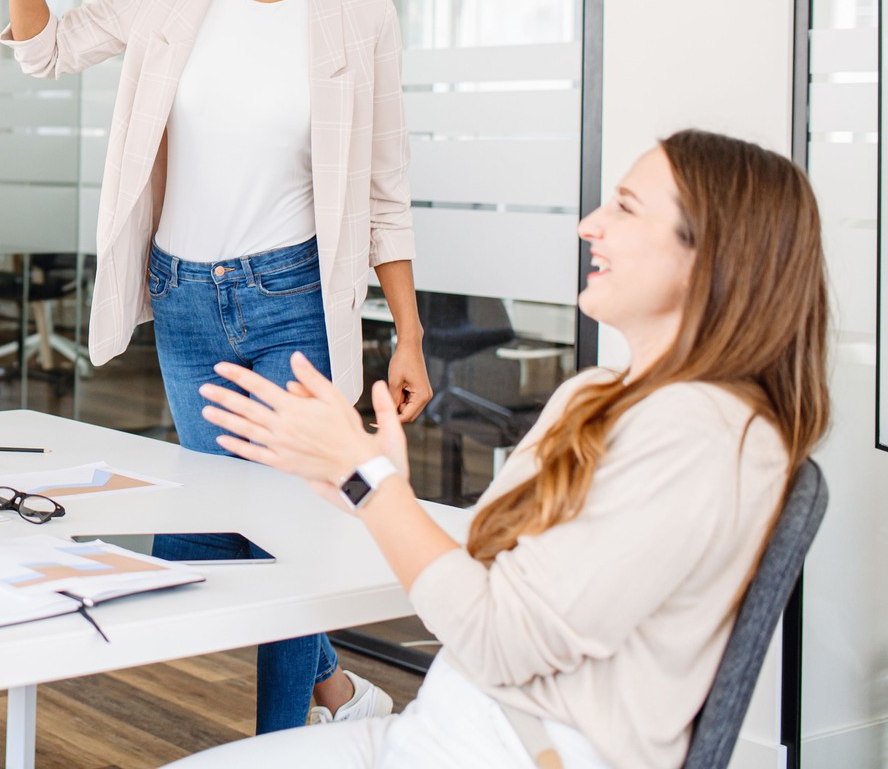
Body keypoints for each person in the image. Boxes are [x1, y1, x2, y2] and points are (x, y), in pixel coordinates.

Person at [170, 129, 830, 769]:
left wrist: (372, 483)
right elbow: (478, 584)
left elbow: (500, 639)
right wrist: (365, 488)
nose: (589, 225)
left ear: (710, 257)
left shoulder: (704, 437)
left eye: (626, 208)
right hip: (441, 728)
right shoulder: (596, 395)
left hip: (514, 749)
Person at [0, 0, 428, 731]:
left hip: (293, 298)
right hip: (187, 299)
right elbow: (47, 54)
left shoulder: (359, 17)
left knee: (281, 526)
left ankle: (288, 739)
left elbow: (385, 193)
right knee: (239, 520)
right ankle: (334, 693)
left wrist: (406, 333)